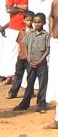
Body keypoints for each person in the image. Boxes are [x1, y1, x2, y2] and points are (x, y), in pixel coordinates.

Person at [13, 13, 50, 113]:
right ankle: (25, 104)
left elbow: (47, 50)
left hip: (42, 64)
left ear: (43, 23)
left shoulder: (46, 35)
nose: (37, 24)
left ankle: (41, 105)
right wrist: (28, 58)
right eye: (35, 22)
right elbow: (24, 44)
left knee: (42, 85)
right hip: (31, 63)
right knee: (29, 84)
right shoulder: (30, 33)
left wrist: (40, 61)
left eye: (39, 22)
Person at [0, 0, 27, 85]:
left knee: (23, 53)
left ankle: (18, 78)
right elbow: (8, 9)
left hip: (24, 27)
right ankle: (10, 76)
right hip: (13, 28)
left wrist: (15, 7)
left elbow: (26, 9)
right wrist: (21, 8)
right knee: (12, 54)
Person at [7, 11, 34, 99]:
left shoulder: (35, 33)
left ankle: (30, 92)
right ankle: (13, 93)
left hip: (31, 58)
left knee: (30, 76)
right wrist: (18, 54)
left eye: (31, 20)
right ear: (24, 20)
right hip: (21, 57)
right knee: (18, 75)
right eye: (27, 20)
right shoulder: (21, 32)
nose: (29, 22)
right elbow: (19, 44)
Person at [44, 0, 58, 129]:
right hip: (56, 42)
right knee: (56, 80)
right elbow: (52, 16)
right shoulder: (55, 2)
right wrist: (51, 34)